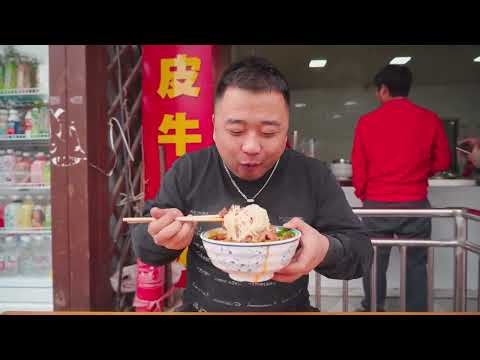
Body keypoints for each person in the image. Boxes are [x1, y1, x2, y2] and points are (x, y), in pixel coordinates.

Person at [133, 56, 373, 312]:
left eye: (269, 133)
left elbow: (361, 254)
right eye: (236, 131)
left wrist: (325, 249)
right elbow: (144, 247)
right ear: (214, 127)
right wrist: (159, 237)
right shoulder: (189, 170)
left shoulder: (312, 175)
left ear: (286, 130)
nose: (251, 147)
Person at [352, 64, 451, 312]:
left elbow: (359, 167)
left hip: (376, 204)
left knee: (374, 261)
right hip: (415, 204)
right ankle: (416, 310)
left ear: (383, 90)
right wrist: (418, 175)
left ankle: (374, 308)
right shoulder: (429, 119)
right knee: (416, 263)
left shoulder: (366, 122)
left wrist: (365, 195)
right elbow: (443, 162)